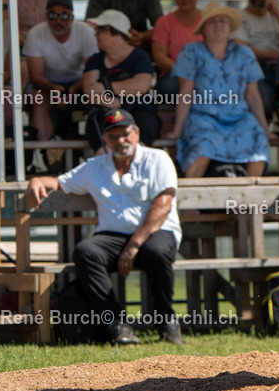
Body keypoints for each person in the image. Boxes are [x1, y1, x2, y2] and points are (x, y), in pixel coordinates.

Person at [26, 108, 184, 345]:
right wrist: (37, 180)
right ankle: (117, 326)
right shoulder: (94, 166)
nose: (121, 140)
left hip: (155, 231)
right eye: (114, 136)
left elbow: (163, 206)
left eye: (125, 134)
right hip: (113, 236)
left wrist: (134, 245)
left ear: (136, 132)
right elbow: (59, 182)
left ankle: (166, 322)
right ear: (105, 140)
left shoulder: (158, 158)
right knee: (86, 251)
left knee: (156, 252)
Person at [167, 4, 275, 178]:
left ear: (230, 28)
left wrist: (266, 129)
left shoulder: (244, 53)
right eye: (213, 22)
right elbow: (186, 92)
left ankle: (248, 203)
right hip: (204, 116)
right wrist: (178, 130)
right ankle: (189, 203)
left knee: (258, 139)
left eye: (223, 21)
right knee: (204, 145)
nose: (218, 25)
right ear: (204, 28)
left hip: (239, 117)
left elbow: (253, 95)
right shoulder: (191, 51)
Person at [23, 0, 97, 149]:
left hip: (79, 82)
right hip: (46, 84)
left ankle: (97, 149)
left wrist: (74, 89)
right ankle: (48, 152)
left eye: (63, 16)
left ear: (72, 17)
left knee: (97, 94)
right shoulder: (35, 34)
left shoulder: (86, 32)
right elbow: (36, 77)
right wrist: (54, 89)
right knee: (38, 99)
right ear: (45, 16)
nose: (58, 21)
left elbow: (93, 71)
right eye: (52, 15)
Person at [81, 9, 160, 151]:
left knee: (141, 142)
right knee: (99, 138)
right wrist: (105, 100)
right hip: (104, 114)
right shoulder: (95, 60)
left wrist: (105, 87)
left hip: (138, 111)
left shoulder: (140, 57)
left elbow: (141, 85)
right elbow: (89, 89)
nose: (96, 35)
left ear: (115, 33)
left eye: (100, 31)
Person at [151, 0, 203, 99]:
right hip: (174, 75)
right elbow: (159, 57)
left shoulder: (209, 19)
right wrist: (185, 73)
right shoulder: (164, 22)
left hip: (206, 73)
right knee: (167, 89)